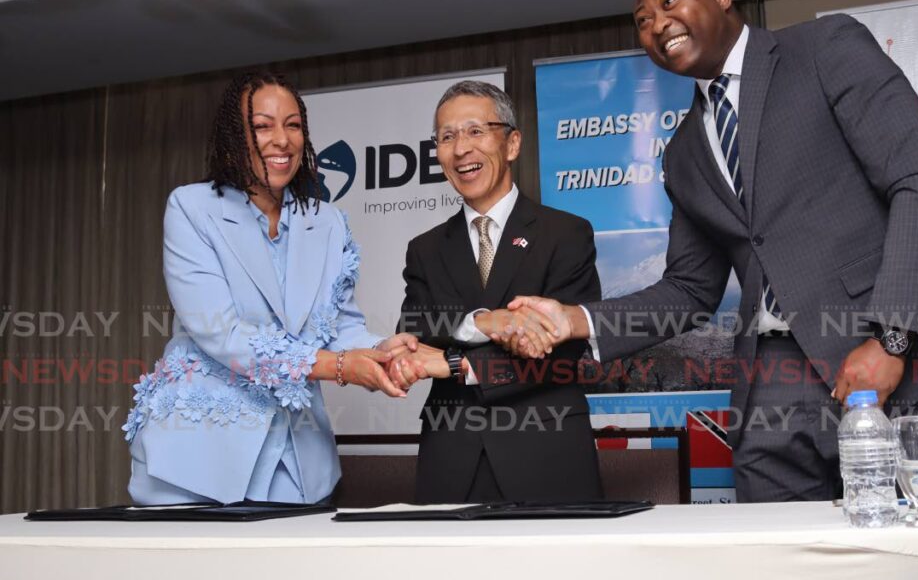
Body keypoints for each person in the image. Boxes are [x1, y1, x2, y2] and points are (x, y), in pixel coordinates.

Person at [508, 0, 918, 503]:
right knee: (780, 569)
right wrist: (574, 319)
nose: (656, 25)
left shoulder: (822, 48)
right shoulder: (684, 152)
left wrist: (892, 337)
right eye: (642, 20)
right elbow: (689, 290)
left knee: (894, 560)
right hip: (769, 377)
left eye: (669, 2)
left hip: (874, 350)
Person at [122, 71, 418, 505]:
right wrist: (338, 366)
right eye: (262, 126)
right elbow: (221, 334)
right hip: (197, 458)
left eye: (293, 125)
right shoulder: (192, 208)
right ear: (233, 137)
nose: (282, 139)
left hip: (298, 464)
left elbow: (339, 328)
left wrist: (385, 350)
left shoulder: (328, 222)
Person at [389, 80, 604, 503]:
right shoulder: (426, 248)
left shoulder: (566, 233)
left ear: (511, 143)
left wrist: (454, 365)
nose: (460, 148)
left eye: (474, 131)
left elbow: (560, 352)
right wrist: (481, 323)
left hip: (547, 454)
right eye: (446, 137)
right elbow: (413, 329)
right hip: (451, 457)